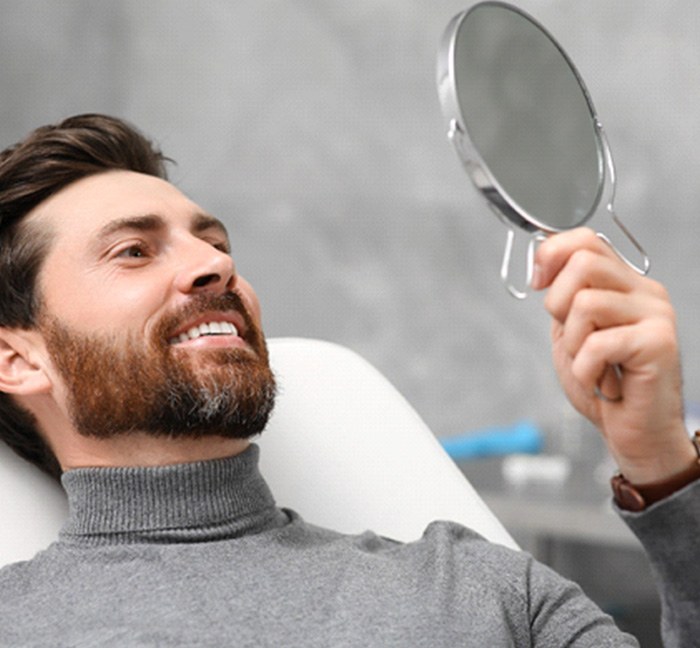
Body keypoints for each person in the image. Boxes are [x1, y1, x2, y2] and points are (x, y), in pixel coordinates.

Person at [0, 114, 696, 647]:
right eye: (133, 251)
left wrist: (662, 465)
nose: (215, 268)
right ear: (18, 359)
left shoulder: (479, 590)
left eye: (214, 243)